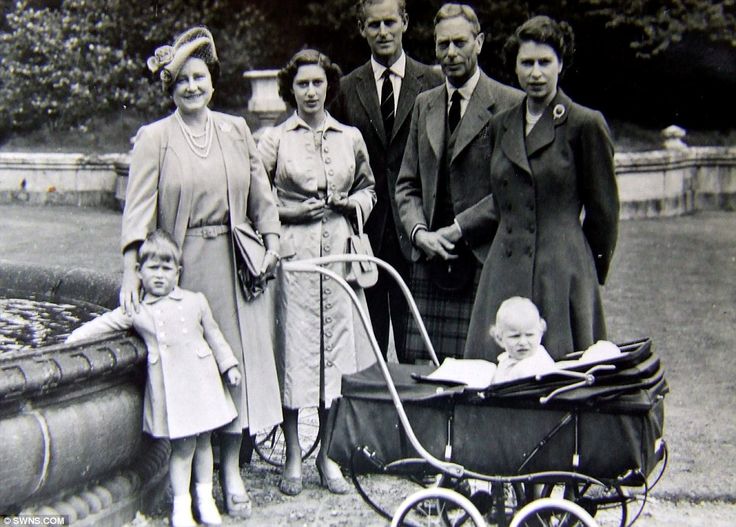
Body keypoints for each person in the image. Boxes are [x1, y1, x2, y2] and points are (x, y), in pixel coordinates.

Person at [121, 27, 282, 519]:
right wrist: (132, 271)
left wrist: (272, 243)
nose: (192, 87)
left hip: (238, 264)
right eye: (181, 81)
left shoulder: (235, 129)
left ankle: (231, 472)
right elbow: (138, 212)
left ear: (212, 80)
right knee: (196, 373)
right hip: (185, 269)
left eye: (199, 77)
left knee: (236, 369)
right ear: (171, 90)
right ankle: (192, 487)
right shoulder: (155, 138)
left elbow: (261, 194)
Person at [464, 15, 619, 362]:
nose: (536, 73)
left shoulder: (584, 124)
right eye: (527, 63)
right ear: (514, 68)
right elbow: (502, 199)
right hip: (504, 270)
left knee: (562, 376)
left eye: (545, 62)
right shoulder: (501, 125)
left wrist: (584, 274)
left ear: (561, 64)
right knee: (496, 373)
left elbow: (604, 213)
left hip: (561, 272)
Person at [257, 49, 377, 496]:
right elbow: (258, 199)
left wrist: (352, 205)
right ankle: (293, 455)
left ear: (330, 87)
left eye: (318, 83)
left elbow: (369, 189)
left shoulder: (349, 137)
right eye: (302, 84)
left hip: (340, 257)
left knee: (336, 358)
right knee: (295, 355)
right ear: (291, 89)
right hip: (295, 259)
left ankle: (327, 456)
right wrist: (288, 211)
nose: (311, 92)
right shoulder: (274, 140)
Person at [67, 230, 241, 527]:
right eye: (152, 268)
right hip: (173, 389)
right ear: (139, 271)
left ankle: (205, 499)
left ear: (178, 272)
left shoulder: (195, 301)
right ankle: (181, 507)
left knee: (203, 443)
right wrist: (72, 338)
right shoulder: (138, 310)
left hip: (202, 383)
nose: (159, 275)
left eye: (166, 268)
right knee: (183, 448)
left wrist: (229, 366)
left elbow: (215, 336)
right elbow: (106, 323)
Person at [394, 3, 523, 362]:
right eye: (442, 44)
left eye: (460, 43)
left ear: (478, 42)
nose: (450, 53)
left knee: (482, 368)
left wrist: (457, 230)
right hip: (432, 259)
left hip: (484, 257)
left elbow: (509, 190)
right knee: (427, 371)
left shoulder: (509, 104)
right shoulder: (425, 104)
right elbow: (407, 184)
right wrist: (420, 233)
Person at [330, 0, 443, 362]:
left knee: (421, 347)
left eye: (390, 22)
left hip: (419, 231)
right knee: (369, 348)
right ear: (362, 29)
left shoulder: (434, 82)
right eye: (373, 24)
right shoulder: (346, 89)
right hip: (366, 238)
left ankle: (417, 419)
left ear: (405, 23)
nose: (383, 32)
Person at [489, 296, 556, 384]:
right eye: (515, 336)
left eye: (529, 335)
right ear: (500, 338)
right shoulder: (505, 361)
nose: (523, 342)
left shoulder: (538, 363)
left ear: (540, 333)